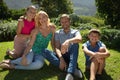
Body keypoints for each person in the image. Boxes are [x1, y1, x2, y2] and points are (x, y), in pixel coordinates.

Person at [54, 14, 83, 80]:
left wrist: (68, 41)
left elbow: (80, 39)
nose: (64, 23)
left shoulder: (75, 31)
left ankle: (70, 73)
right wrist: (61, 59)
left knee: (75, 44)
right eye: (62, 22)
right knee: (49, 53)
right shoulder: (57, 33)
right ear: (60, 23)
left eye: (66, 21)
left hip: (72, 54)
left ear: (70, 21)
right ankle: (74, 68)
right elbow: (57, 48)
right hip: (63, 54)